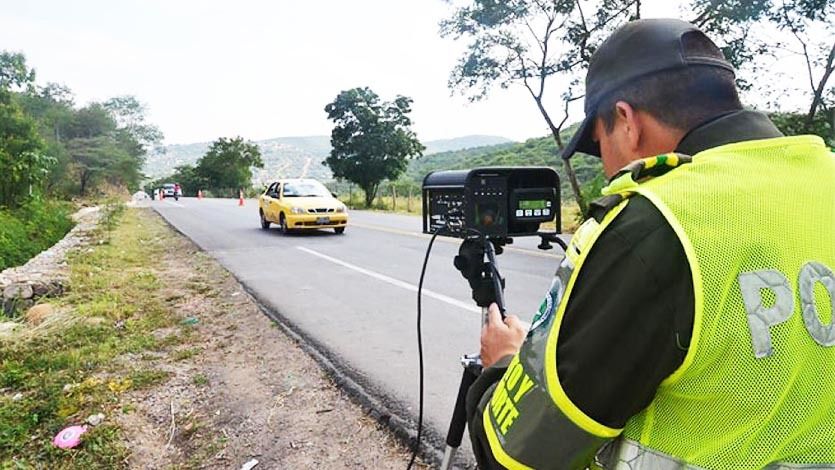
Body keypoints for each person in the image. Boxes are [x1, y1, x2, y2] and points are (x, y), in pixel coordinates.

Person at [467, 18, 835, 469]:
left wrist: (502, 364)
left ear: (626, 121)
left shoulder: (657, 224)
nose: (605, 169)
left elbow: (522, 454)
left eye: (599, 144)